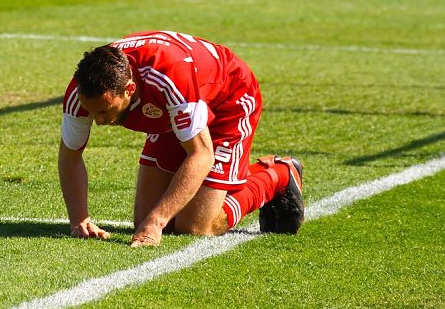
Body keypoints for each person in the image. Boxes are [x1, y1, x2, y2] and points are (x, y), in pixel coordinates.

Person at [59, 31, 304, 247]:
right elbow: (70, 155)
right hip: (172, 110)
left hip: (228, 98)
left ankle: (278, 175)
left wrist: (156, 222)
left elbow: (201, 154)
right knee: (142, 220)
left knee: (196, 225)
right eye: (91, 112)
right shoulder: (82, 93)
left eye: (105, 111)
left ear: (129, 90)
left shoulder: (168, 79)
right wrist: (79, 220)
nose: (98, 121)